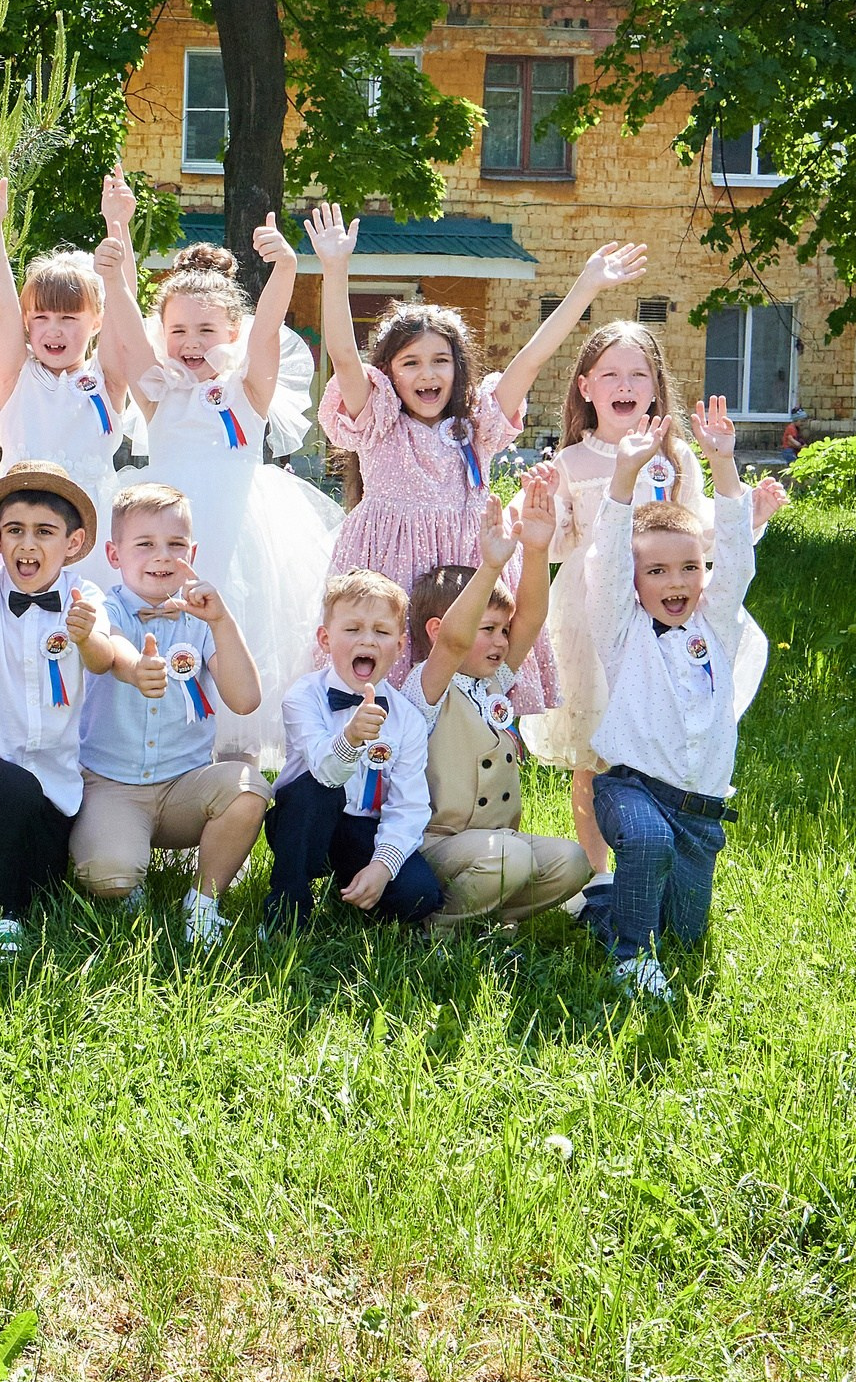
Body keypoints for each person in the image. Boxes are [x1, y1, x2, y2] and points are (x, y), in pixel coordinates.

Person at [310, 202, 649, 708]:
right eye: (412, 363)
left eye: (441, 361)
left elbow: (531, 359)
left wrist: (586, 287)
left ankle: (471, 765)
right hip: (386, 563)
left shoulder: (478, 425)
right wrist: (336, 269)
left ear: (457, 367)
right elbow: (340, 354)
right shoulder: (378, 421)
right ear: (390, 372)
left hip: (471, 564)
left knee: (467, 689)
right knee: (390, 684)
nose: (429, 374)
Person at [521, 320, 781, 897]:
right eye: (610, 373)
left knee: (656, 740)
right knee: (596, 752)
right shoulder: (573, 462)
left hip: (663, 624)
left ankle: (659, 859)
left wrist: (751, 515)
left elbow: (698, 533)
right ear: (586, 387)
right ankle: (599, 878)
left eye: (638, 373)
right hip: (596, 619)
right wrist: (543, 506)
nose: (625, 384)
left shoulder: (676, 457)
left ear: (656, 387)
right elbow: (562, 545)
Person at [97, 172, 339, 764]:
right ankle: (157, 761)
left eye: (206, 329)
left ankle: (237, 776)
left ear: (233, 331)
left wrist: (285, 270)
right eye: (178, 329)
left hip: (236, 537)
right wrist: (114, 247)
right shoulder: (159, 393)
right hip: (164, 538)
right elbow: (127, 338)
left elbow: (266, 335)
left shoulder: (247, 392)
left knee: (239, 633)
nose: (191, 341)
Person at [580, 404, 765, 1002]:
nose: (676, 581)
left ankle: (606, 911)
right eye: (656, 570)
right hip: (630, 790)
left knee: (684, 936)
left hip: (699, 812)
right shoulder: (620, 627)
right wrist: (624, 479)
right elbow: (607, 559)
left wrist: (722, 464)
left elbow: (735, 558)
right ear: (636, 585)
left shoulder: (719, 628)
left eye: (689, 567)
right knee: (647, 845)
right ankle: (631, 957)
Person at [0, 464, 136, 955]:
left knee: (42, 876)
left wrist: (84, 637)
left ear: (73, 543)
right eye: (14, 531)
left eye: (45, 532)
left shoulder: (85, 595)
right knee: (14, 792)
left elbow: (102, 661)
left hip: (54, 779)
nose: (28, 545)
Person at [69, 483, 270, 947]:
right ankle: (124, 874)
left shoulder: (201, 618)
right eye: (145, 544)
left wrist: (221, 622)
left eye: (175, 545)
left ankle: (202, 902)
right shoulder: (103, 605)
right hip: (112, 783)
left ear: (192, 552)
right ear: (114, 554)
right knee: (110, 876)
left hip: (185, 785)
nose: (161, 556)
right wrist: (133, 667)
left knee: (248, 789)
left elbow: (245, 700)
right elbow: (105, 650)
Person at [403, 465, 590, 931]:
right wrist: (489, 567)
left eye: (500, 632)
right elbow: (452, 642)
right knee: (509, 858)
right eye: (486, 630)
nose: (501, 641)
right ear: (436, 628)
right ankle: (441, 926)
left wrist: (536, 549)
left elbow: (529, 619)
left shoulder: (492, 684)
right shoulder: (425, 688)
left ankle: (484, 914)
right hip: (435, 844)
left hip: (497, 842)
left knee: (573, 862)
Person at [262, 570, 447, 932]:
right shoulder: (303, 697)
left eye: (381, 631)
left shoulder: (407, 719)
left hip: (364, 828)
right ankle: (286, 911)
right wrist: (350, 738)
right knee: (314, 793)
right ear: (325, 639)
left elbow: (408, 805)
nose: (368, 639)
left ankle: (354, 886)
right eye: (352, 629)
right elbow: (324, 771)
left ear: (399, 645)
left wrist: (382, 866)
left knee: (419, 895)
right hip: (303, 823)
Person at [0, 168, 121, 571]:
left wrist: (116, 224)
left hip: (90, 537)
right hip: (20, 530)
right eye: (41, 317)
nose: (53, 330)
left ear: (96, 321)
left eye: (69, 318)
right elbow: (2, 306)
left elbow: (122, 311)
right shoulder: (17, 376)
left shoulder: (107, 377)